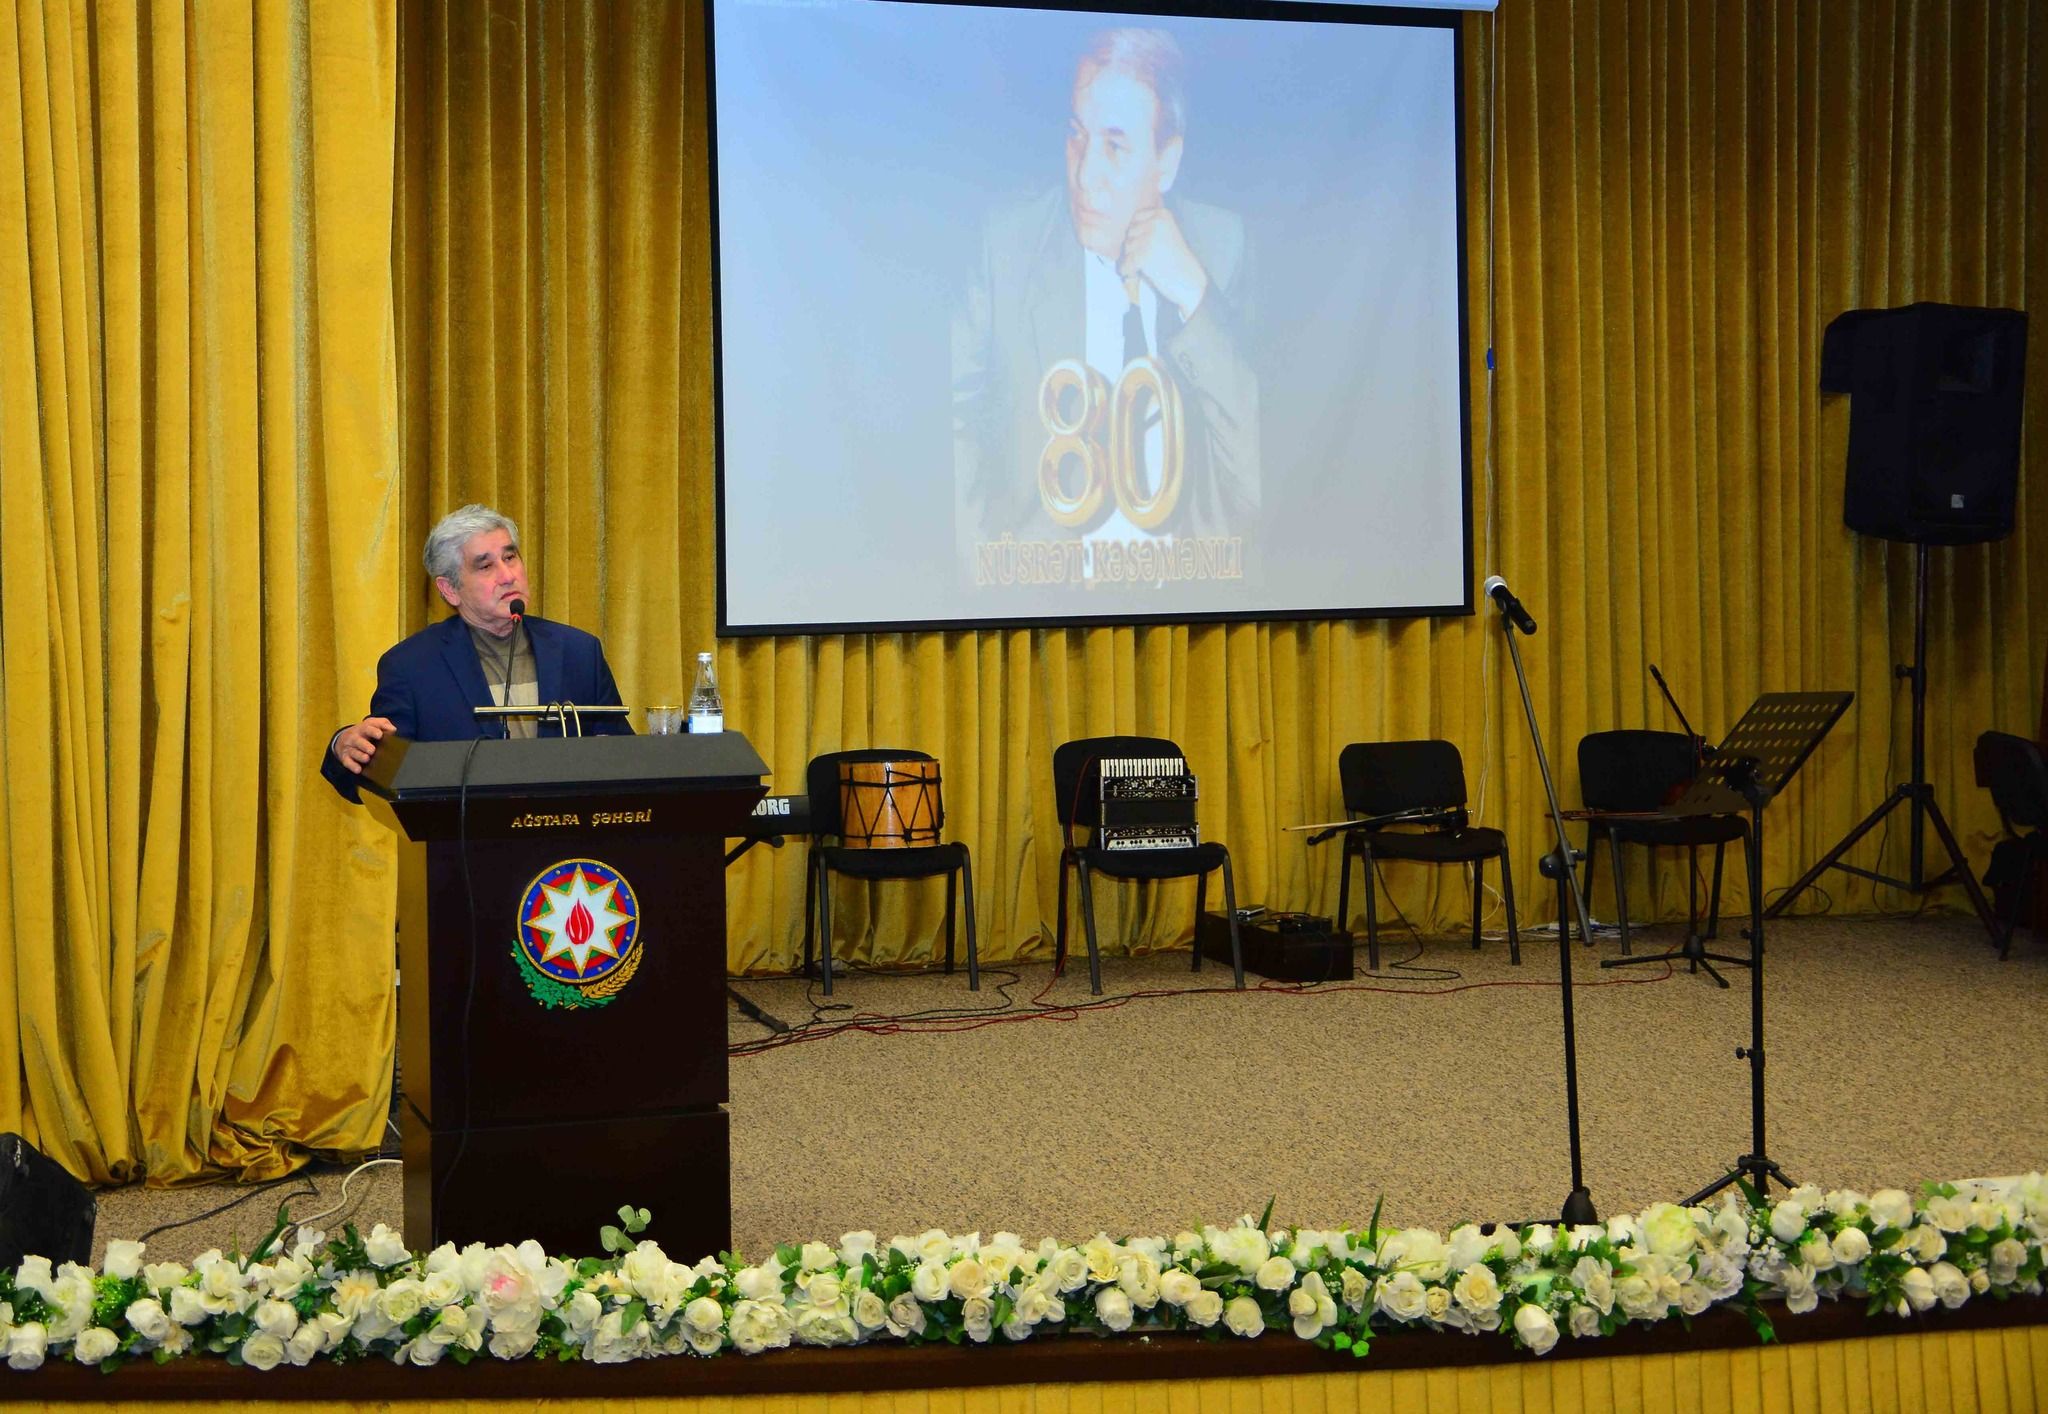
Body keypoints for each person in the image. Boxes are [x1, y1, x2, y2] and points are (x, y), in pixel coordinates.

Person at [953, 27, 1260, 586]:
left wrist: (1193, 293)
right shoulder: (1007, 247)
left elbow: (1256, 474)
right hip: (1043, 600)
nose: (1084, 174)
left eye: (1115, 147)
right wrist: (984, 584)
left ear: (1166, 163)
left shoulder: (1221, 250)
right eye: (1077, 136)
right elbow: (956, 424)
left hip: (1189, 605)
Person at [321, 504, 630, 804]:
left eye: (510, 557)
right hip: (464, 836)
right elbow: (381, 772)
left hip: (565, 834)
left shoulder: (579, 652)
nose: (507, 575)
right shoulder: (411, 667)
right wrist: (342, 746)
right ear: (450, 590)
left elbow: (624, 756)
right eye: (485, 566)